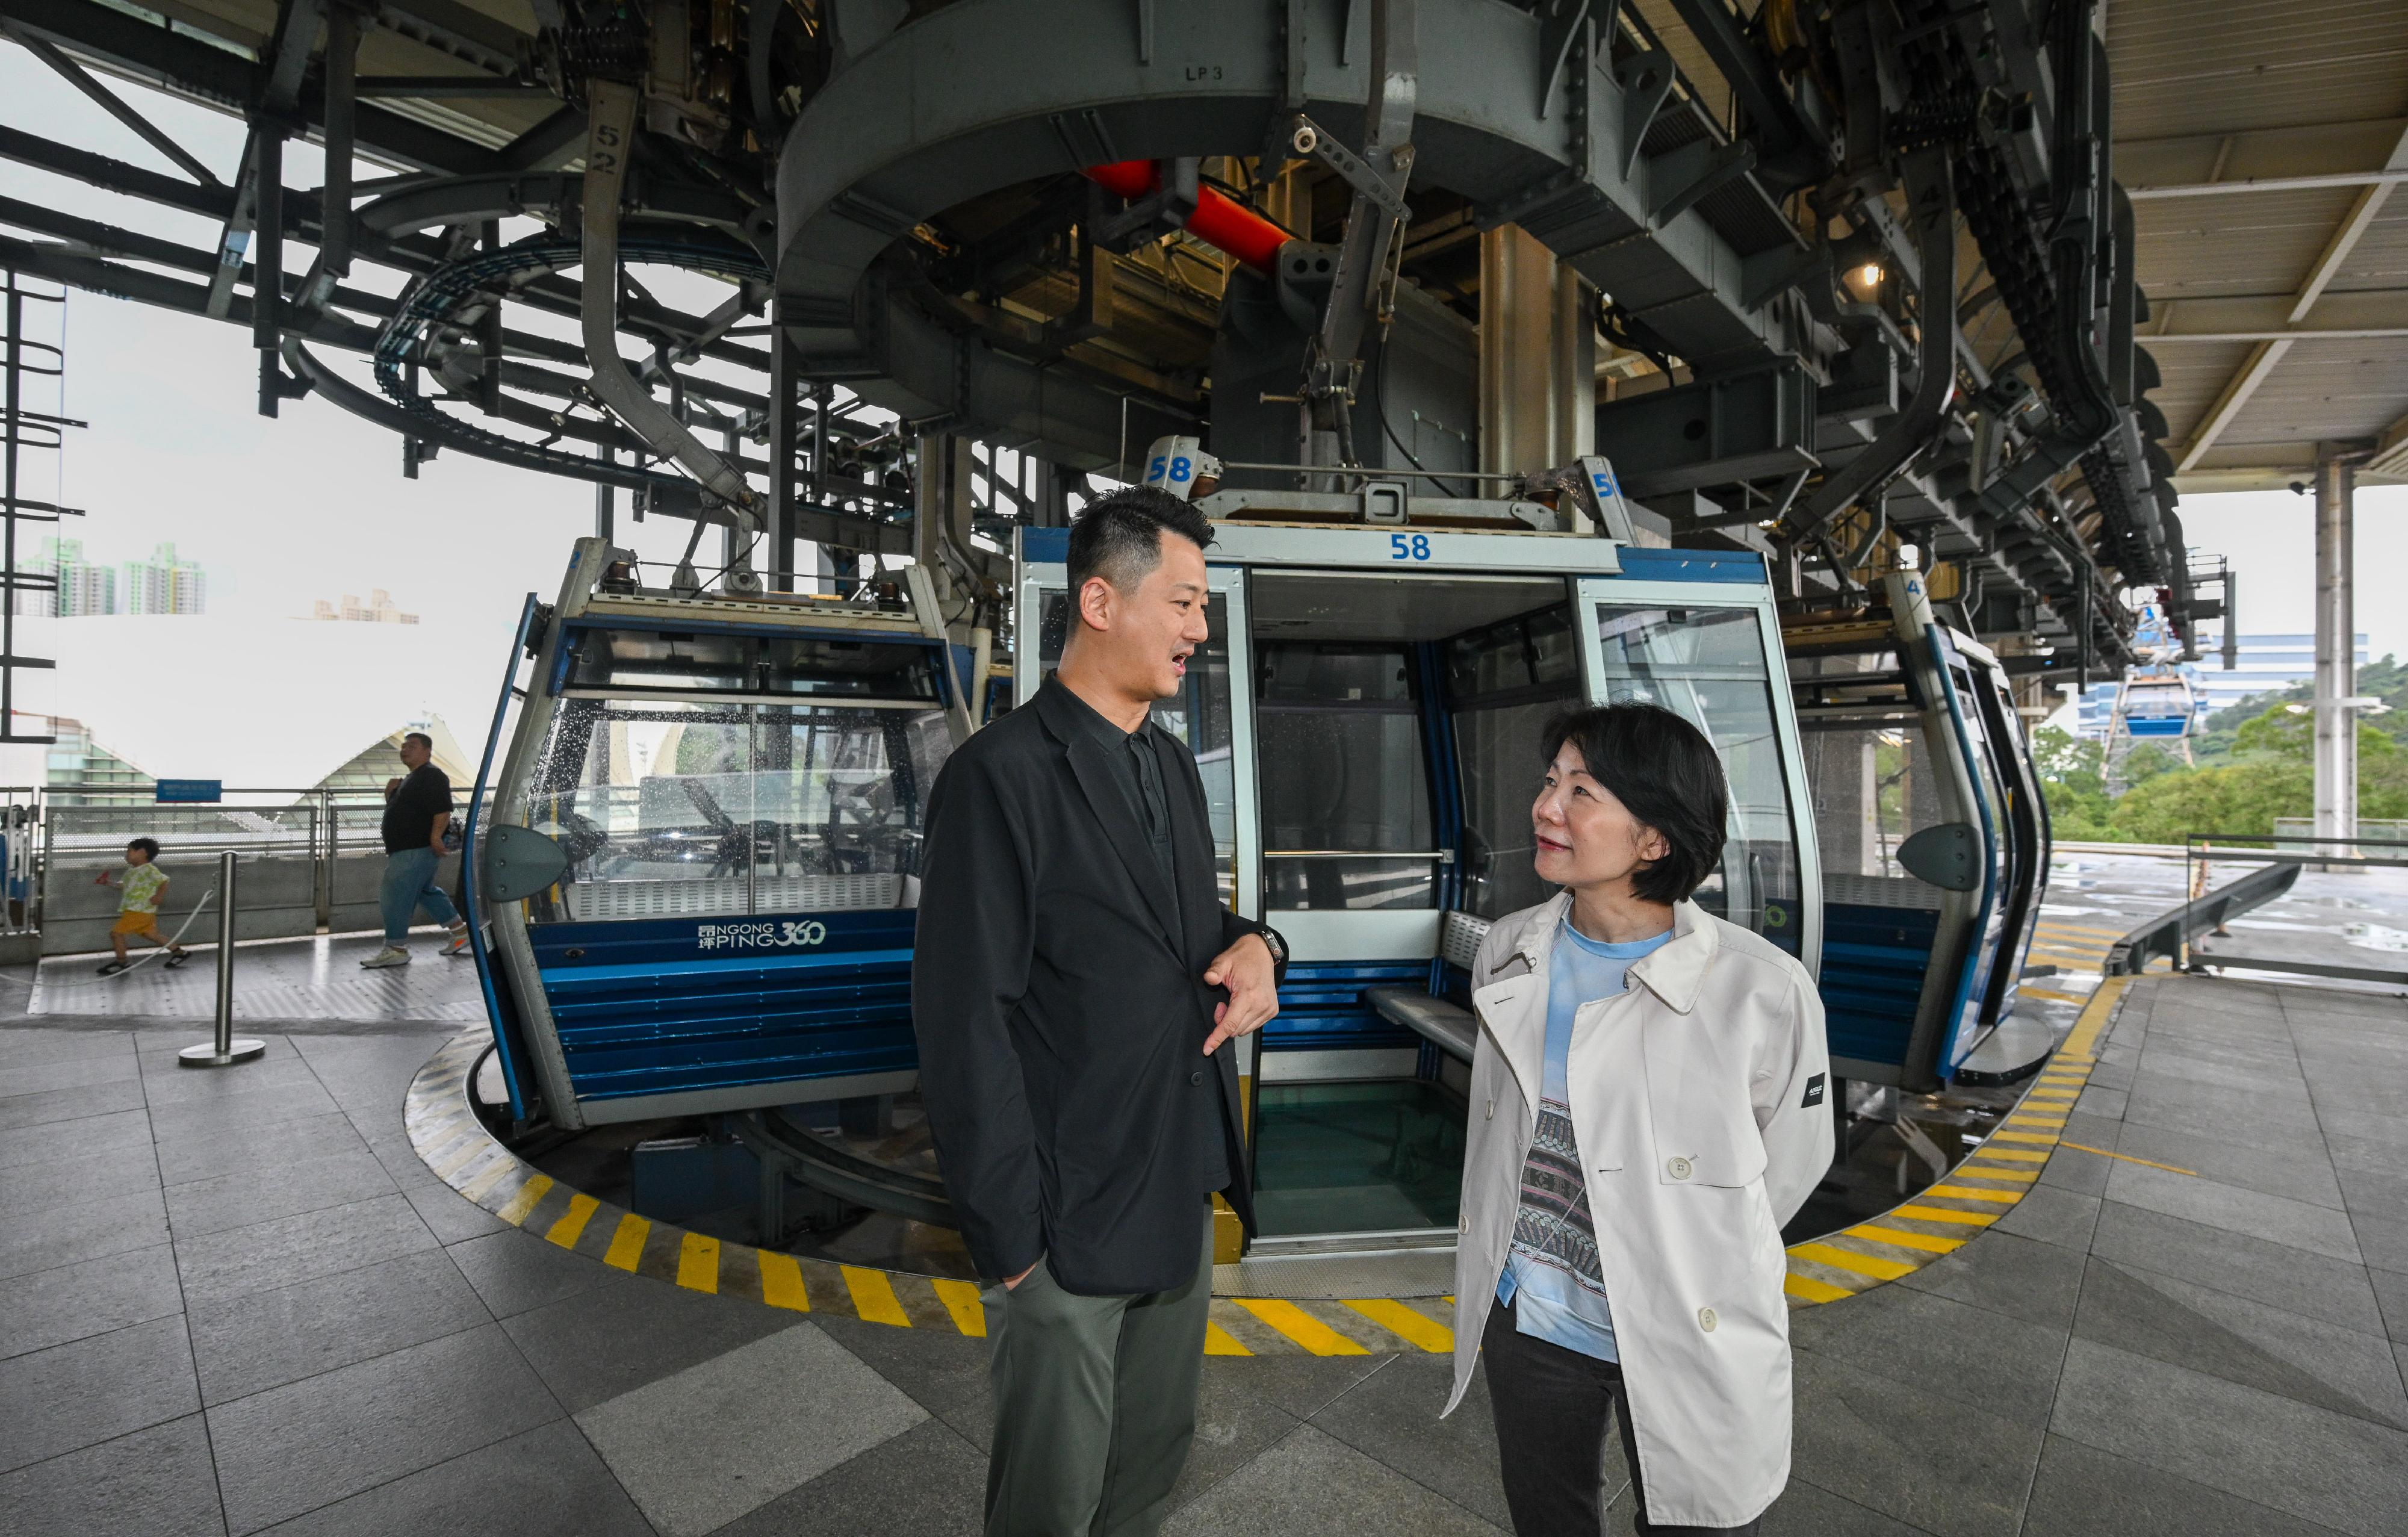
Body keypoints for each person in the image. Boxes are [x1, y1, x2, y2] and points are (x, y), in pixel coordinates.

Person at [913, 486, 1289, 1537]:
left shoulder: (1168, 762)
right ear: (1099, 600)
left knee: (1147, 1472)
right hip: (1065, 1220)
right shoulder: (1001, 775)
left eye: (1202, 607)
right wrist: (1014, 1244)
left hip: (1174, 1187)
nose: (1199, 630)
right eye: (1182, 602)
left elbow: (1179, 923)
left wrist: (1262, 941)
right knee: (1052, 1502)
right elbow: (962, 1017)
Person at [1444, 703, 1832, 1536]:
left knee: (1699, 1518)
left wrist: (1687, 1245)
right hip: (1536, 1318)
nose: (1547, 808)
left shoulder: (1761, 988)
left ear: (1655, 839)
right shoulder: (1512, 946)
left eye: (1582, 792)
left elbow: (1791, 1165)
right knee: (1550, 1518)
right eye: (1551, 783)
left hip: (1691, 1315)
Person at [362, 730, 468, 968]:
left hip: (416, 848)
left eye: (412, 745)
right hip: (409, 848)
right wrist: (390, 794)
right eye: (403, 746)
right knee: (425, 892)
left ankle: (396, 948)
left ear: (427, 752)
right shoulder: (411, 779)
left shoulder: (432, 775)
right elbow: (405, 812)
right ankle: (461, 932)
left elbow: (442, 809)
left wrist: (435, 837)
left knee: (395, 894)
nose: (405, 749)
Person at [94, 837, 189, 974]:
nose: (126, 855)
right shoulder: (132, 871)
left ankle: (122, 962)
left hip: (139, 910)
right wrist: (108, 883)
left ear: (143, 852)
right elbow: (124, 885)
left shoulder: (149, 869)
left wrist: (159, 896)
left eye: (130, 851)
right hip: (137, 910)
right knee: (151, 934)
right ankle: (179, 952)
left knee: (116, 934)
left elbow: (164, 881)